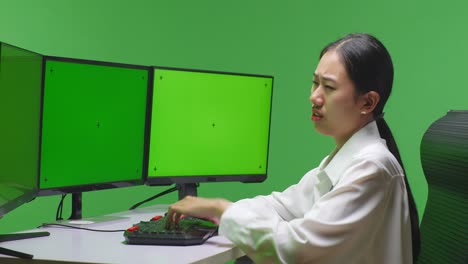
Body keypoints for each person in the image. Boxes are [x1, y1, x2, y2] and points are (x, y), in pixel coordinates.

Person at [165, 33, 421, 264]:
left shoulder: (372, 168)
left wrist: (223, 209)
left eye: (329, 87)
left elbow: (297, 249)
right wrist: (215, 209)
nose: (314, 96)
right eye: (315, 83)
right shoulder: (344, 161)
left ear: (368, 102)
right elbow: (282, 205)